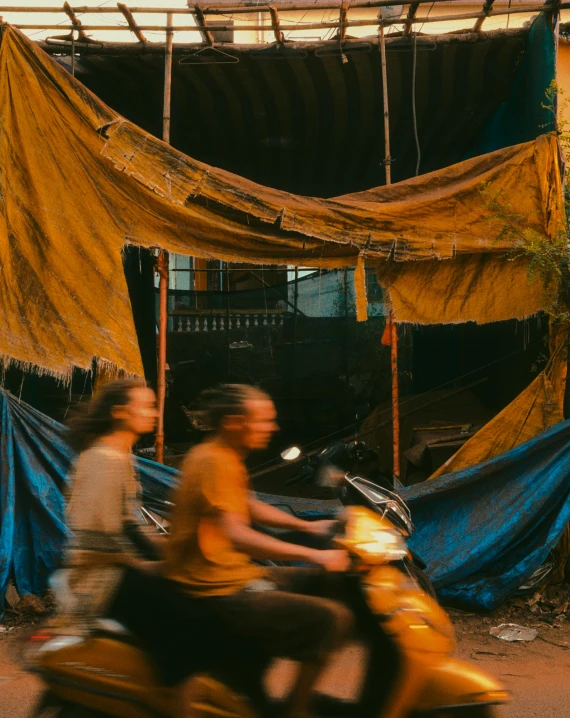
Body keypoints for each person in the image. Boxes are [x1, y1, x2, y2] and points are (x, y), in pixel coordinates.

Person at [164, 384, 355, 718]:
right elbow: (236, 533)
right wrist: (316, 554)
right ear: (236, 422)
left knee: (331, 583)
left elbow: (248, 505)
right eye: (265, 420)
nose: (274, 427)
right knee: (333, 619)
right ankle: (297, 709)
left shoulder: (224, 456)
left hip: (233, 574)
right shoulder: (213, 462)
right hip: (214, 588)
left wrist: (309, 527)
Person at [60, 378, 162, 630]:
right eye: (147, 406)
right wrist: (150, 566)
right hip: (102, 581)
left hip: (116, 569)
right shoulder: (103, 459)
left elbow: (128, 522)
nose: (155, 413)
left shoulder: (120, 454)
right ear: (118, 412)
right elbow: (101, 536)